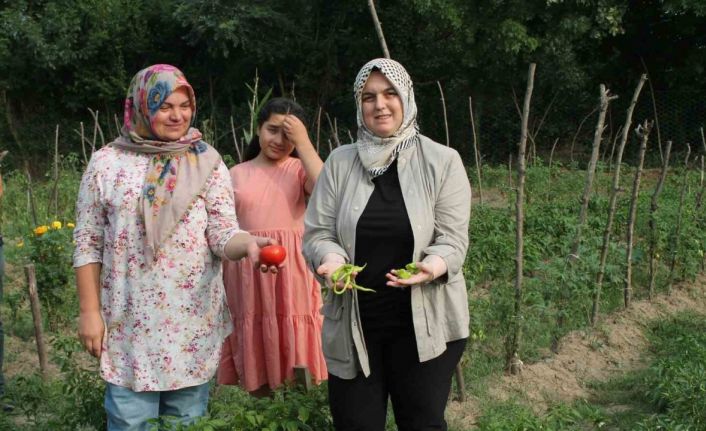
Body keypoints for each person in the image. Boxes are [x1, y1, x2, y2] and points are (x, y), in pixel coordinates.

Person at [73, 64, 277, 431]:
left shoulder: (206, 161)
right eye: (165, 105)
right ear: (141, 105)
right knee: (129, 422)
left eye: (184, 105)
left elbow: (221, 232)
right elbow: (88, 241)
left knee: (187, 422)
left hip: (189, 322)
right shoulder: (107, 162)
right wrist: (89, 312)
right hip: (128, 322)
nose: (177, 115)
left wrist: (248, 244)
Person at [303, 58, 472, 431]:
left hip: (424, 324)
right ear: (359, 105)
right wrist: (331, 261)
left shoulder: (442, 161)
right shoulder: (339, 163)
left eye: (390, 93)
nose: (380, 104)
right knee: (355, 424)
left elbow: (453, 239)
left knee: (422, 423)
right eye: (369, 97)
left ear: (406, 97)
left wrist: (433, 266)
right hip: (354, 324)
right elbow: (318, 232)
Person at [217, 97, 326, 397]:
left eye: (288, 134)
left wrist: (303, 144)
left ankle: (301, 407)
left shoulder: (299, 169)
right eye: (272, 130)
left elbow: (327, 190)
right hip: (248, 274)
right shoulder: (236, 174)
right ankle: (264, 409)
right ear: (258, 128)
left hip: (292, 274)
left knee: (295, 338)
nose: (279, 140)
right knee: (257, 337)